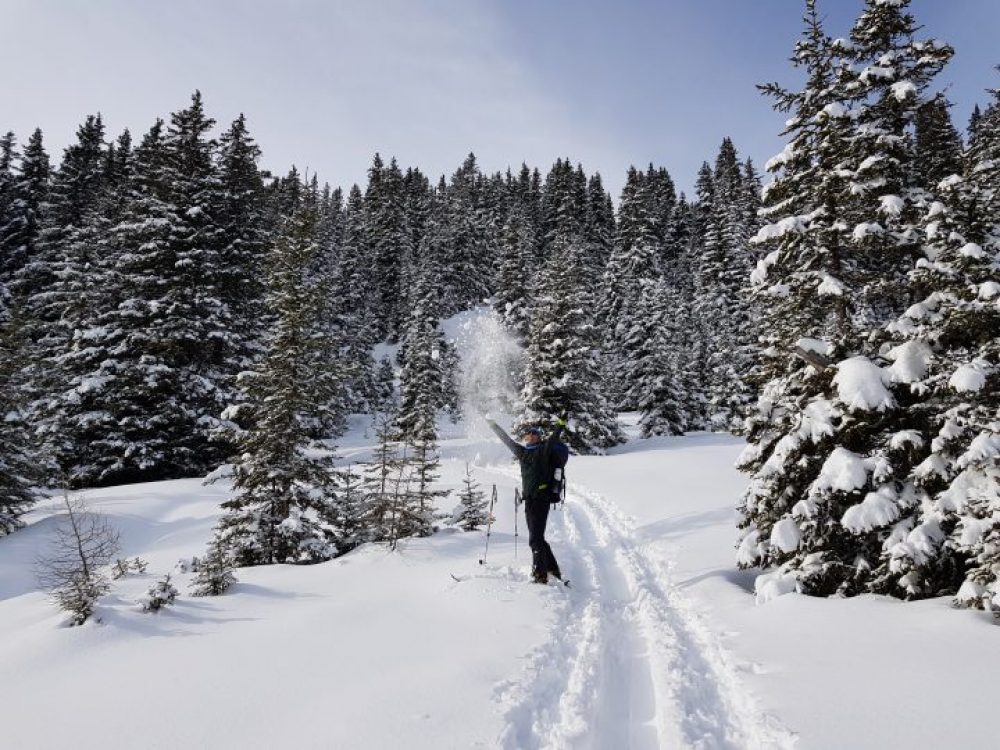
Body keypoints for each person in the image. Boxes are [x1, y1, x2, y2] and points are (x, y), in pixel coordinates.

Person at [486, 417, 566, 584]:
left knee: (535, 539)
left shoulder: (543, 451)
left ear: (539, 437)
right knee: (537, 538)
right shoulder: (522, 452)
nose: (531, 435)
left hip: (541, 500)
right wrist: (493, 424)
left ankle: (540, 575)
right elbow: (506, 439)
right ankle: (553, 569)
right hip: (529, 500)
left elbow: (554, 438)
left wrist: (561, 423)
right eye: (529, 433)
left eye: (535, 433)